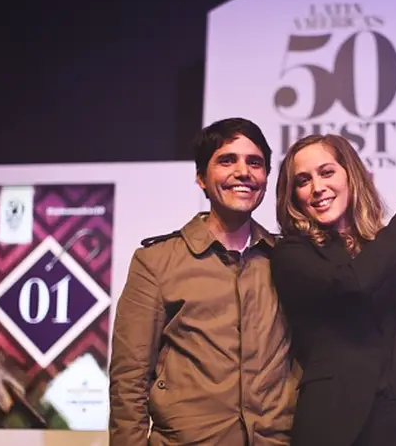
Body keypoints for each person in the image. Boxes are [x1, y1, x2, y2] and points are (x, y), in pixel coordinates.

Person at [271, 134, 396, 446]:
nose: (317, 187)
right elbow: (353, 284)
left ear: (351, 175)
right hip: (343, 428)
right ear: (293, 195)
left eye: (327, 172)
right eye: (303, 180)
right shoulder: (293, 254)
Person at [109, 118, 298, 446]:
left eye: (255, 163)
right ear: (201, 178)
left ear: (266, 178)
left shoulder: (289, 260)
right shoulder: (156, 261)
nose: (243, 172)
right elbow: (129, 380)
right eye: (227, 160)